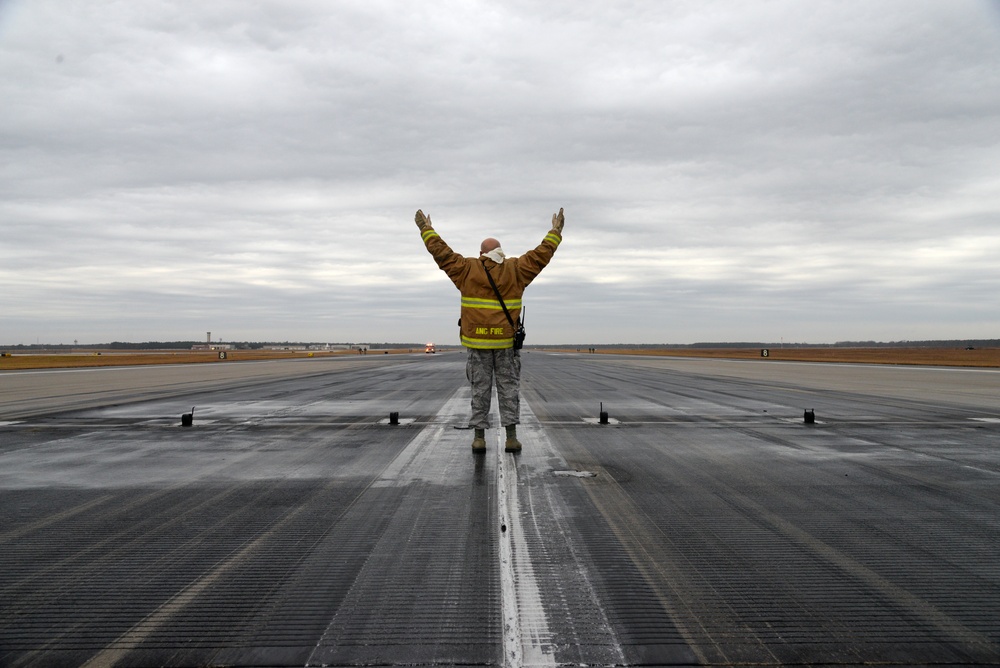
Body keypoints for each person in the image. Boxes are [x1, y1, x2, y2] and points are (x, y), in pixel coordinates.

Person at [416, 207, 564, 453]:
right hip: (506, 344)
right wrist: (555, 233)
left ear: (481, 253)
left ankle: (479, 438)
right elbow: (541, 255)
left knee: (479, 391)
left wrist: (426, 229)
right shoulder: (516, 269)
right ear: (501, 252)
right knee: (509, 390)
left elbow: (442, 254)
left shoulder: (466, 269)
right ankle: (511, 438)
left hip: (477, 345)